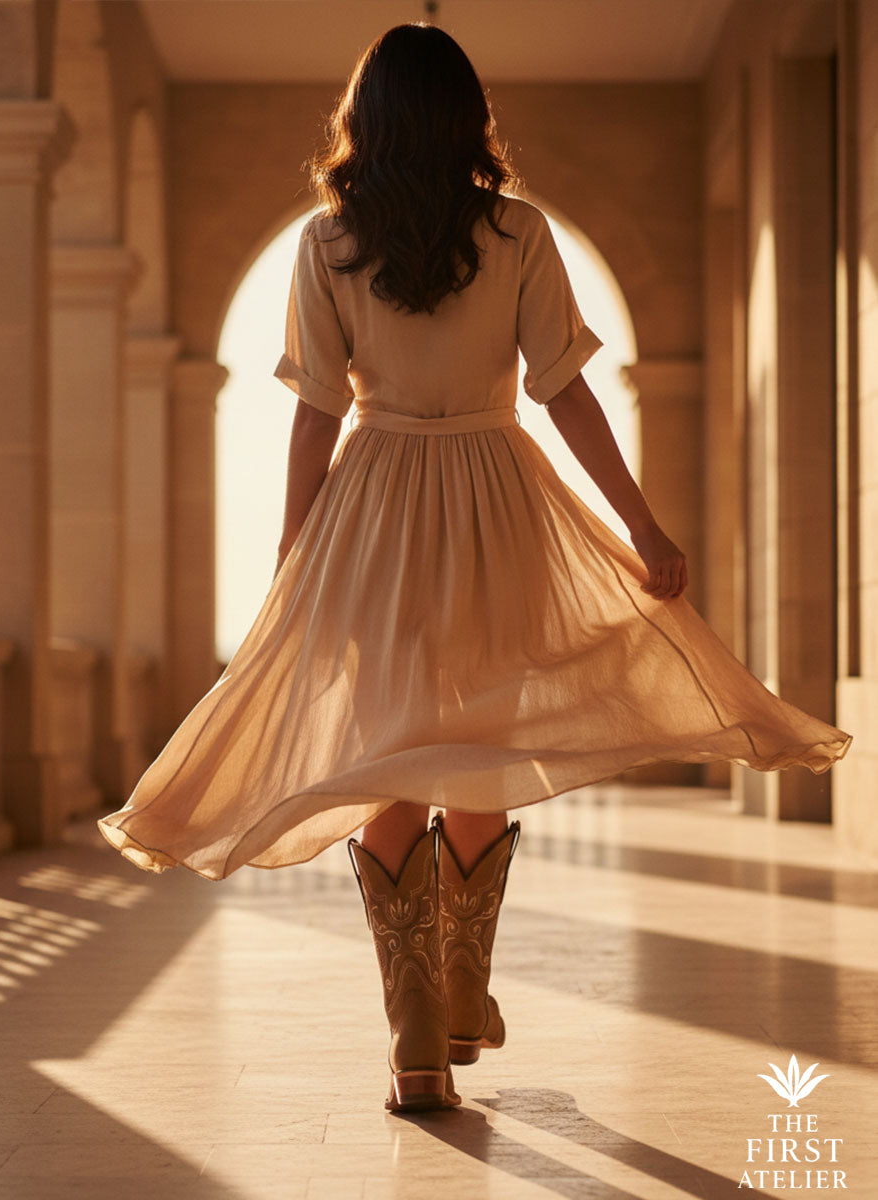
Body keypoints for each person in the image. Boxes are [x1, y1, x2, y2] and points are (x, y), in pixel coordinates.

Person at [98, 22, 852, 1115]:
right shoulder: (518, 232)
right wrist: (642, 526)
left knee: (393, 751)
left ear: (365, 121)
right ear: (467, 117)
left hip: (372, 511)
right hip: (498, 502)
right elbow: (566, 392)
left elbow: (313, 415)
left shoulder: (327, 244)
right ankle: (459, 992)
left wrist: (294, 552)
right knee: (483, 749)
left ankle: (415, 1035)